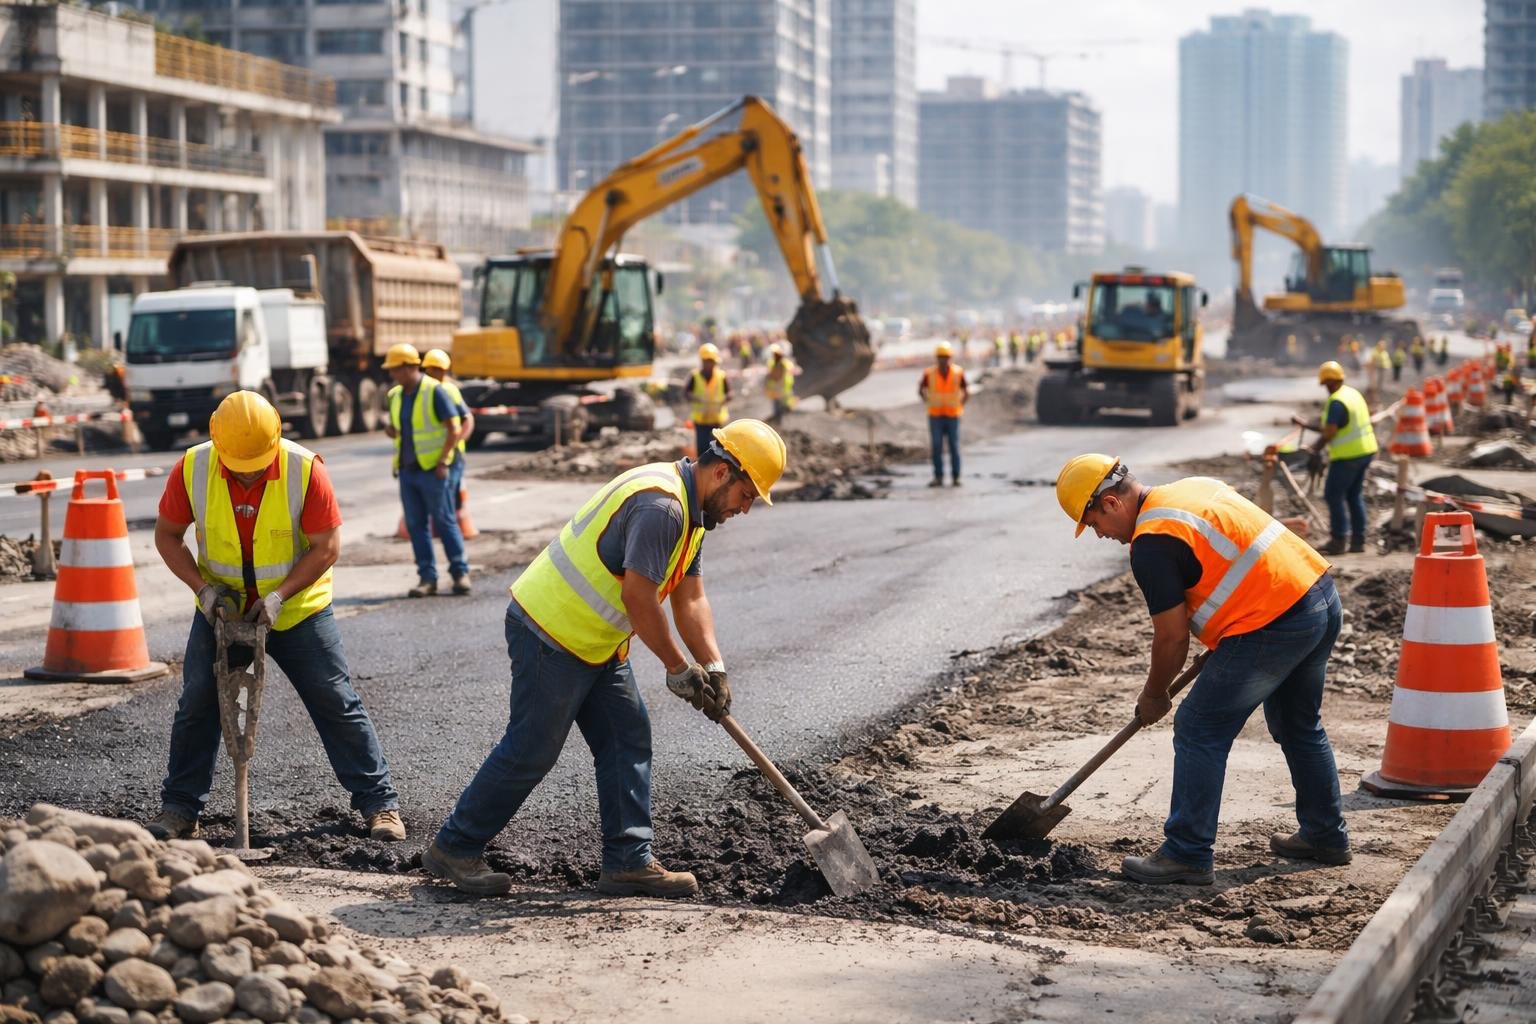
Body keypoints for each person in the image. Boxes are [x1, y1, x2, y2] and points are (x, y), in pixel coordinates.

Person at [422, 420, 788, 898]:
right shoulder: (663, 507)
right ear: (723, 472)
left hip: (597, 642)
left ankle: (628, 863)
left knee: (626, 736)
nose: (745, 508)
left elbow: (690, 600)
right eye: (747, 495)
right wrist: (678, 668)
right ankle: (455, 845)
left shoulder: (693, 514)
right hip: (551, 631)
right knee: (533, 747)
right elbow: (639, 597)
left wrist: (714, 667)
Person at [1055, 454, 1346, 884]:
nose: (1100, 535)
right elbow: (1234, 561)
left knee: (1198, 727)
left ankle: (1187, 853)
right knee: (1298, 723)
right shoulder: (1189, 489)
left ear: (1112, 504)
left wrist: (1155, 694)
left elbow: (1171, 639)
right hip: (1317, 596)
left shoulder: (1152, 543)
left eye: (1094, 523)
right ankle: (1325, 835)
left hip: (1274, 623)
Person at [147, 391, 404, 843]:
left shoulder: (305, 470)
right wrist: (202, 590)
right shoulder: (193, 467)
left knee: (334, 700)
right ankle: (181, 809)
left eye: (257, 463)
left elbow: (327, 546)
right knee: (199, 701)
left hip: (297, 610)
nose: (248, 471)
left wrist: (281, 596)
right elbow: (168, 536)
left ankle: (379, 803)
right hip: (221, 610)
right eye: (239, 463)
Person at [383, 343, 468, 597]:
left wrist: (443, 461)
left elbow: (454, 429)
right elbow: (402, 431)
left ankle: (459, 572)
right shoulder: (396, 396)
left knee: (444, 520)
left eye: (396, 370)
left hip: (433, 470)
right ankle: (427, 578)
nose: (392, 375)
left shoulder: (435, 392)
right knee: (415, 524)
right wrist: (392, 433)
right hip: (408, 471)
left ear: (410, 368)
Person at [1291, 360, 1378, 556]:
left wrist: (1314, 448)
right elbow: (1335, 425)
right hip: (1367, 451)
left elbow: (1330, 431)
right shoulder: (1352, 394)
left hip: (1349, 456)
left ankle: (1338, 540)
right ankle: (1358, 541)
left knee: (1333, 495)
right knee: (1354, 495)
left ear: (1328, 383)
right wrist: (1308, 426)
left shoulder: (1336, 401)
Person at [421, 347, 475, 576]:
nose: (438, 374)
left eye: (441, 370)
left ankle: (458, 567)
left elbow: (467, 420)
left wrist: (455, 444)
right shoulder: (423, 392)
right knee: (441, 511)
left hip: (451, 459)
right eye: (434, 370)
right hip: (433, 461)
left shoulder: (450, 390)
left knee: (447, 510)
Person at [919, 341, 968, 487]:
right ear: (936, 358)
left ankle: (956, 477)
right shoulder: (929, 373)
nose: (943, 359)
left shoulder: (958, 372)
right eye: (940, 356)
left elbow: (966, 390)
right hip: (935, 415)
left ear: (950, 357)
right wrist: (928, 402)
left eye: (945, 356)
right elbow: (921, 389)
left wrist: (960, 405)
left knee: (954, 446)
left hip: (953, 415)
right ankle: (938, 476)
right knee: (937, 446)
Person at [688, 342, 731, 458]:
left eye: (711, 361)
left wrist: (724, 399)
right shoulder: (695, 376)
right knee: (702, 451)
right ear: (702, 361)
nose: (709, 364)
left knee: (716, 452)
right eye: (707, 361)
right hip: (701, 421)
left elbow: (729, 393)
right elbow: (686, 393)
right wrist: (694, 398)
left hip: (716, 420)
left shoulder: (721, 376)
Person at [763, 343, 796, 425]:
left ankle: (783, 422)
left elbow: (778, 375)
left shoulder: (784, 363)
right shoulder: (772, 362)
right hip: (776, 389)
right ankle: (778, 421)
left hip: (783, 388)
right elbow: (770, 374)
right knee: (777, 406)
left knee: (783, 406)